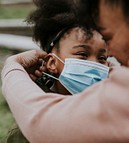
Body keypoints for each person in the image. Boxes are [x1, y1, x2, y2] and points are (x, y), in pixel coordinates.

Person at [2, 0, 129, 142]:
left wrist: (12, 68)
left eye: (109, 38)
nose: (110, 55)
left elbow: (43, 124)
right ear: (51, 62)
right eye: (82, 54)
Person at [4, 0, 109, 142]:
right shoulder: (25, 134)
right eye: (82, 54)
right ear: (52, 63)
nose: (94, 64)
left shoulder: (112, 113)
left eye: (102, 58)